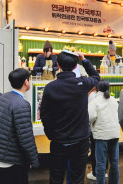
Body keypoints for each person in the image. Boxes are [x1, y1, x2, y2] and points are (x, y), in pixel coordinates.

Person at [40, 51, 100, 184]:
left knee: (56, 177)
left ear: (58, 65)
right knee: (77, 178)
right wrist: (84, 60)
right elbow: (96, 77)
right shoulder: (83, 83)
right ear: (75, 66)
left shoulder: (50, 87)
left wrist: (50, 134)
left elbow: (44, 114)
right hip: (80, 140)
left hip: (58, 141)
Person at [0, 68, 39, 184]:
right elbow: (26, 137)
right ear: (26, 82)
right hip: (9, 159)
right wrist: (34, 160)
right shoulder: (22, 104)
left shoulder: (3, 97)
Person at [89, 80, 120, 184]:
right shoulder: (113, 100)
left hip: (102, 136)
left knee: (101, 164)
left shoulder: (95, 101)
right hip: (114, 134)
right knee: (114, 163)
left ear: (97, 89)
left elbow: (90, 117)